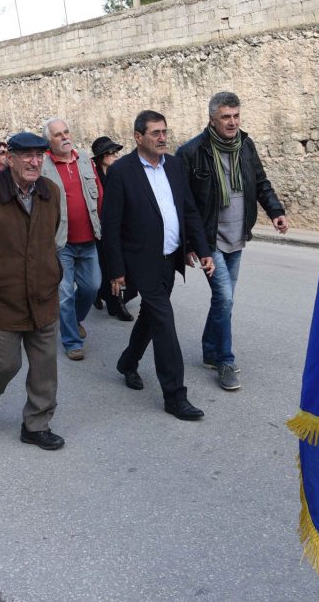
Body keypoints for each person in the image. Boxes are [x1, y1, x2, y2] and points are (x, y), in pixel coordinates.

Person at [101, 110, 215, 421]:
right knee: (164, 321)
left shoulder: (175, 165)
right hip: (141, 260)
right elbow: (110, 225)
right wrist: (116, 271)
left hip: (171, 257)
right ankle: (175, 396)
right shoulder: (122, 172)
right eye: (155, 133)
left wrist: (201, 249)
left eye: (164, 131)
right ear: (138, 138)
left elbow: (187, 209)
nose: (162, 137)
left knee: (152, 314)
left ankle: (127, 362)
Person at [0, 132, 65, 450]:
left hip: (44, 293)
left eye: (39, 155)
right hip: (0, 298)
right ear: (10, 158)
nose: (34, 162)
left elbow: (51, 235)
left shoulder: (51, 193)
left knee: (45, 367)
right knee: (5, 364)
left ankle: (36, 424)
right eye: (27, 156)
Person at [177, 91, 289, 390]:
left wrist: (276, 211)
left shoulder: (246, 145)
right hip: (210, 238)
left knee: (223, 300)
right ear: (212, 119)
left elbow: (261, 183)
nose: (232, 122)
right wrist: (189, 244)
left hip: (238, 235)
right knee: (225, 298)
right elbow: (183, 203)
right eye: (226, 117)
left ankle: (210, 350)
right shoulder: (191, 152)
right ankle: (225, 360)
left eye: (236, 116)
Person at [40, 117, 102, 361]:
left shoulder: (84, 159)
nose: (65, 137)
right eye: (58, 134)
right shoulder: (44, 168)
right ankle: (72, 341)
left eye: (66, 132)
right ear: (49, 141)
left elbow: (99, 192)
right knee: (64, 293)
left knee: (92, 287)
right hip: (61, 243)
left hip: (89, 240)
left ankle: (74, 320)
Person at [90, 136, 133, 321]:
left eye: (116, 152)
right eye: (111, 153)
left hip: (121, 227)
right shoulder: (93, 178)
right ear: (101, 157)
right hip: (100, 229)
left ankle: (101, 294)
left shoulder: (120, 174)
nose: (116, 155)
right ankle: (117, 303)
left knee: (126, 265)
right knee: (108, 267)